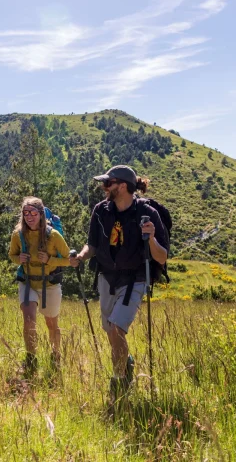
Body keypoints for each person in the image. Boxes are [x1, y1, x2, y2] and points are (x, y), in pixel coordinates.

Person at [70, 165, 167, 400]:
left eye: (108, 183)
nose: (104, 187)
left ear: (122, 186)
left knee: (115, 328)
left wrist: (151, 237)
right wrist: (82, 256)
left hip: (135, 279)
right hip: (107, 277)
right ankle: (128, 363)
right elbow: (92, 244)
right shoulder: (101, 210)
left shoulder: (147, 213)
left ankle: (119, 381)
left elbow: (162, 257)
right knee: (111, 333)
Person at [9, 196, 71, 376]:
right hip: (27, 282)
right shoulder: (18, 234)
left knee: (52, 323)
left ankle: (56, 355)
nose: (29, 217)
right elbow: (12, 255)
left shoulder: (53, 235)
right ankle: (31, 359)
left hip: (49, 284)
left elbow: (69, 260)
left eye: (33, 213)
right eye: (26, 213)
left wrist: (50, 259)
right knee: (29, 320)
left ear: (41, 214)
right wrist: (18, 259)